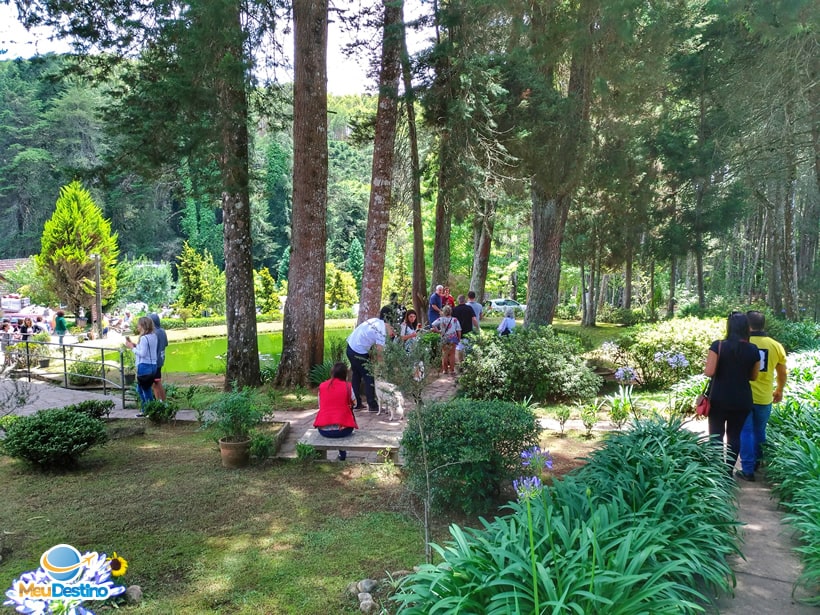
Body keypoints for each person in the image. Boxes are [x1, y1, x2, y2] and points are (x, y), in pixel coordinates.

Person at [704, 312, 760, 476]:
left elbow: (709, 371)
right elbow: (754, 376)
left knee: (716, 434)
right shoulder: (753, 349)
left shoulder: (718, 345)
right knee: (735, 436)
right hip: (742, 399)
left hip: (719, 398)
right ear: (746, 328)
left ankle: (715, 471)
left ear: (729, 327)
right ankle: (728, 471)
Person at [737, 310, 788, 481]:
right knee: (760, 431)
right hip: (764, 397)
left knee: (746, 431)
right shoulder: (775, 345)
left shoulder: (742, 342)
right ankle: (758, 463)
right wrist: (779, 389)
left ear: (747, 325)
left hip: (743, 396)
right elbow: (782, 373)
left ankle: (748, 469)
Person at [346, 317, 394, 412]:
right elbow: (380, 354)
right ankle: (372, 405)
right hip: (358, 351)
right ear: (390, 326)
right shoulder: (381, 333)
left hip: (350, 347)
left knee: (357, 375)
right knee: (369, 377)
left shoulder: (378, 321)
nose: (391, 335)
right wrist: (382, 368)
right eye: (392, 333)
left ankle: (356, 403)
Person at [314, 362, 358, 461]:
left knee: (336, 420)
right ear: (345, 374)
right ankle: (342, 454)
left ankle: (341, 454)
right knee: (344, 419)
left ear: (332, 373)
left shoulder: (322, 386)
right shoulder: (348, 386)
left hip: (323, 430)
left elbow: (320, 406)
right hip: (344, 430)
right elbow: (355, 403)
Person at [125, 316, 159, 415]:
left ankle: (151, 410)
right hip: (153, 365)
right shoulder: (153, 336)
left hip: (144, 366)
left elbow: (143, 354)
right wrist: (136, 345)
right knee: (140, 389)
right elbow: (148, 350)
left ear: (143, 325)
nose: (137, 327)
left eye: (139, 325)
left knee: (146, 390)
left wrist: (132, 348)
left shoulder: (144, 338)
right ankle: (146, 409)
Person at [432, 305, 461, 375]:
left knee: (444, 354)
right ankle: (452, 370)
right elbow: (459, 330)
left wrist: (438, 331)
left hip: (444, 338)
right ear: (451, 312)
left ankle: (445, 370)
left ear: (444, 312)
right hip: (453, 338)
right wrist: (459, 338)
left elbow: (433, 324)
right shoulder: (455, 319)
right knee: (452, 354)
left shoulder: (441, 319)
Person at [452, 294, 479, 364]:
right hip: (468, 331)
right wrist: (477, 328)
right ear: (465, 300)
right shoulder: (469, 308)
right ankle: (467, 364)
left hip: (458, 333)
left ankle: (459, 363)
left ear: (458, 301)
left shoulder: (454, 309)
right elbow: (474, 319)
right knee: (468, 348)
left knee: (458, 349)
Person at [150, 313, 169, 402]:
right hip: (161, 359)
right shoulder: (162, 331)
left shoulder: (154, 333)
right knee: (157, 382)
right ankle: (162, 401)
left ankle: (160, 402)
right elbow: (165, 344)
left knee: (155, 383)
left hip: (155, 361)